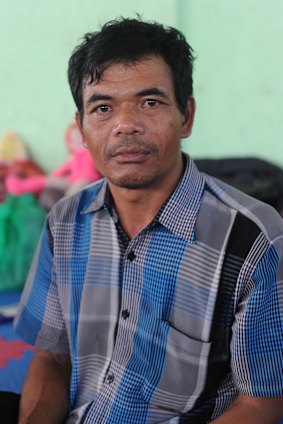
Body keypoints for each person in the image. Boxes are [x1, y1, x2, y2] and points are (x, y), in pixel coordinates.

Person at [10, 17, 283, 423]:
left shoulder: (254, 241)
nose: (125, 125)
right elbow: (52, 358)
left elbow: (260, 404)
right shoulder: (65, 222)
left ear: (186, 116)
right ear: (82, 129)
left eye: (150, 103)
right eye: (102, 108)